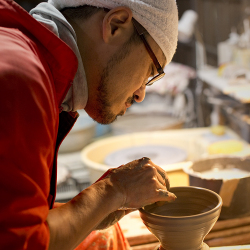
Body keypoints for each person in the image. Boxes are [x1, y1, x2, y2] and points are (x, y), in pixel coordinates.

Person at [0, 0, 178, 249]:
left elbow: (14, 220)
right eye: (151, 70)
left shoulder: (29, 59)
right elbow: (22, 243)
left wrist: (102, 206)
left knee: (103, 234)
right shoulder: (20, 76)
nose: (140, 94)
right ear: (116, 25)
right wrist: (112, 190)